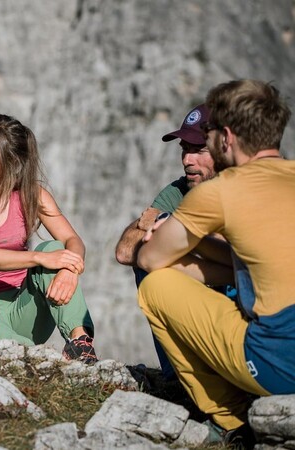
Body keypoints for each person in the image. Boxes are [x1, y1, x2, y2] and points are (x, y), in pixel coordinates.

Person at [138, 79, 295, 446]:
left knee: (155, 287)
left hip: (280, 366)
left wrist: (177, 242)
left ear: (226, 137)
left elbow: (149, 258)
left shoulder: (220, 191)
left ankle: (231, 419)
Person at [0, 113, 97, 363]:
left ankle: (80, 345)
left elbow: (73, 241)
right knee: (48, 254)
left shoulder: (31, 195)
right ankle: (35, 357)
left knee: (56, 246)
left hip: (24, 309)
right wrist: (40, 257)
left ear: (10, 161)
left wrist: (70, 269)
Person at [115, 104, 231, 379]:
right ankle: (178, 377)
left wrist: (176, 227)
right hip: (200, 309)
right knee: (148, 263)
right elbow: (125, 250)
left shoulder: (241, 187)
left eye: (198, 150)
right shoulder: (181, 189)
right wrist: (168, 223)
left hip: (245, 316)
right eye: (184, 149)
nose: (186, 160)